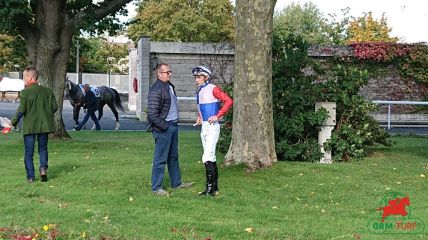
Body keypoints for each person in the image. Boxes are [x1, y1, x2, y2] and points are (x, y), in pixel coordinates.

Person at [147, 63, 193, 196]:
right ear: (159, 74)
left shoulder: (169, 86)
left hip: (173, 126)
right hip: (163, 129)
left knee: (173, 157)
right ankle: (156, 188)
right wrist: (165, 126)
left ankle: (177, 183)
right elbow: (152, 114)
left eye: (170, 71)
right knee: (160, 159)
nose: (170, 74)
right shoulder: (156, 89)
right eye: (167, 72)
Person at [11, 67, 58, 183]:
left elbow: (21, 110)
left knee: (28, 152)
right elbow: (55, 107)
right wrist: (46, 114)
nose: (23, 80)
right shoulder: (48, 91)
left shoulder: (25, 92)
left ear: (30, 77)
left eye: (24, 77)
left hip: (30, 126)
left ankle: (31, 177)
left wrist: (13, 122)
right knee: (43, 148)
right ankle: (43, 169)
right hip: (44, 125)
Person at [192, 66, 233, 196]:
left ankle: (209, 189)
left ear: (206, 77)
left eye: (199, 77)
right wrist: (200, 117)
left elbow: (228, 101)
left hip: (212, 127)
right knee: (211, 157)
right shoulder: (200, 91)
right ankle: (214, 188)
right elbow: (202, 109)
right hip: (204, 126)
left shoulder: (213, 89)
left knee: (207, 157)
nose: (196, 80)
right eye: (195, 77)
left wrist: (218, 115)